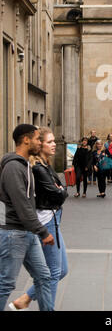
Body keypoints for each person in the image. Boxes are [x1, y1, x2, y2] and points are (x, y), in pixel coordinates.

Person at [10, 127, 69, 311]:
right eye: (49, 142)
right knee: (51, 272)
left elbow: (61, 189)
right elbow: (58, 193)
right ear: (39, 144)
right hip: (46, 220)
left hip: (53, 218)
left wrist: (61, 189)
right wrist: (60, 190)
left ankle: (26, 298)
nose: (54, 145)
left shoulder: (45, 164)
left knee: (61, 270)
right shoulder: (37, 168)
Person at [0, 124, 54, 312]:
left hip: (27, 232)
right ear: (26, 140)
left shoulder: (25, 165)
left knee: (44, 277)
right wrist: (43, 231)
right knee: (6, 283)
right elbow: (22, 205)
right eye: (38, 139)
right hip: (13, 233)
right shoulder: (14, 167)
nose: (40, 142)